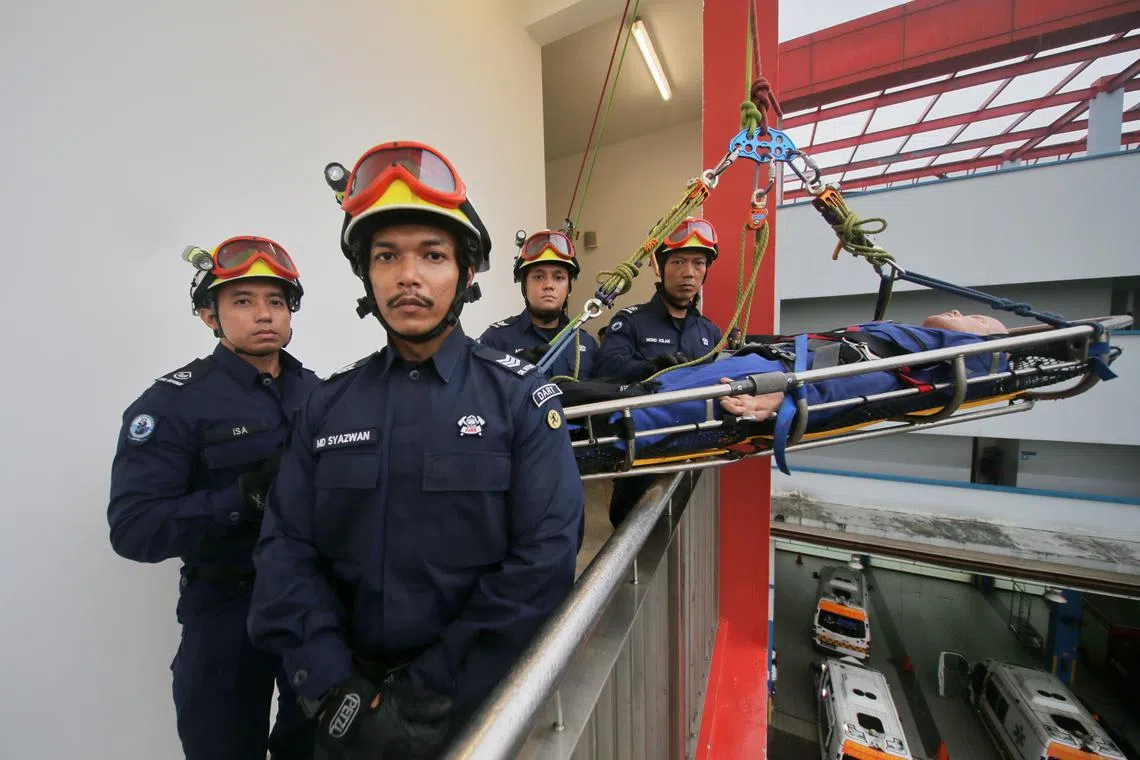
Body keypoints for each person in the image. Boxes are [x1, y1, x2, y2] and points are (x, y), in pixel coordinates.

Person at [247, 140, 585, 759]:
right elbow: (285, 550)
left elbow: (544, 560)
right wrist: (330, 688)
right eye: (387, 257)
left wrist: (426, 693)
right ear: (366, 275)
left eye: (432, 255)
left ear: (466, 274)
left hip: (467, 711)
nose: (408, 276)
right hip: (338, 714)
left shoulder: (520, 401)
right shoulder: (326, 406)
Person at [108, 236, 320, 759]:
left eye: (275, 301)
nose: (263, 315)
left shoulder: (321, 394)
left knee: (318, 749)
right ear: (209, 315)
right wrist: (244, 498)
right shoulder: (172, 404)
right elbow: (134, 529)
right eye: (242, 301)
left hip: (315, 607)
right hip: (225, 614)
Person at [593, 216, 725, 527]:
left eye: (698, 263)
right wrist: (653, 367)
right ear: (659, 267)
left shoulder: (711, 331)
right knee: (630, 533)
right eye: (678, 261)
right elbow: (607, 369)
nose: (688, 273)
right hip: (643, 456)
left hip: (698, 453)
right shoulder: (631, 321)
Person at [479, 229, 599, 380]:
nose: (549, 285)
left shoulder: (586, 343)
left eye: (558, 277)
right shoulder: (496, 340)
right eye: (538, 276)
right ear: (524, 286)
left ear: (569, 287)